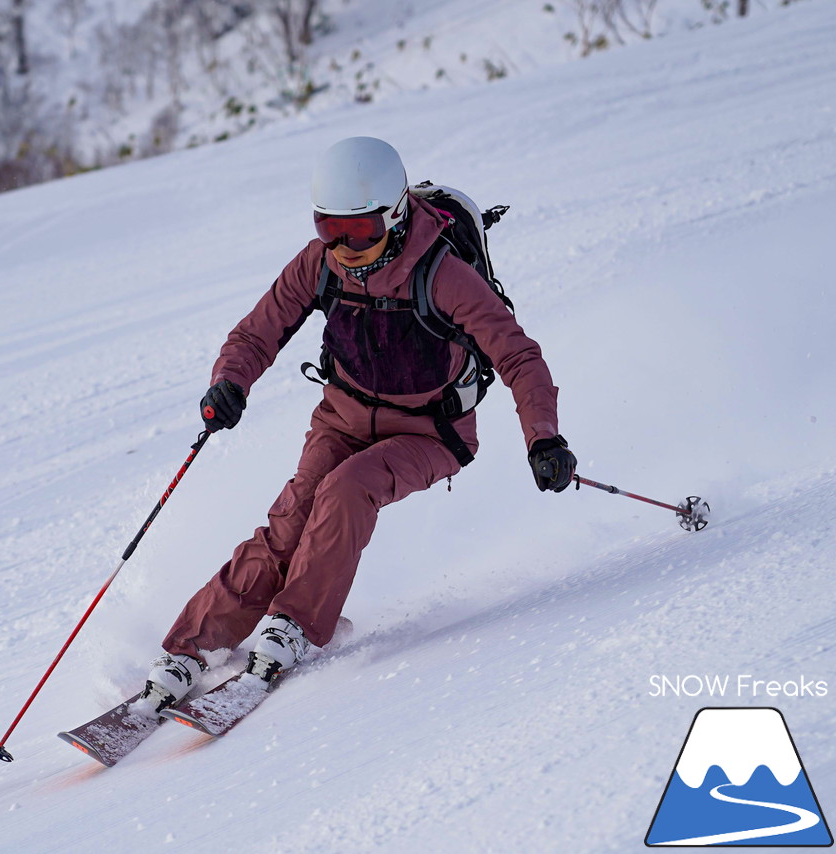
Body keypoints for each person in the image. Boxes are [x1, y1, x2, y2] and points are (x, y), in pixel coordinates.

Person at [138, 136, 576, 711]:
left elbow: (518, 355)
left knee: (347, 489)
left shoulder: (442, 275)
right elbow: (257, 331)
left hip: (429, 432)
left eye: (360, 231)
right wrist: (231, 380)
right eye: (330, 228)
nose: (344, 246)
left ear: (393, 217)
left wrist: (543, 437)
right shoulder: (320, 264)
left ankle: (294, 626)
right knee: (291, 520)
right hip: (342, 416)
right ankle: (190, 648)